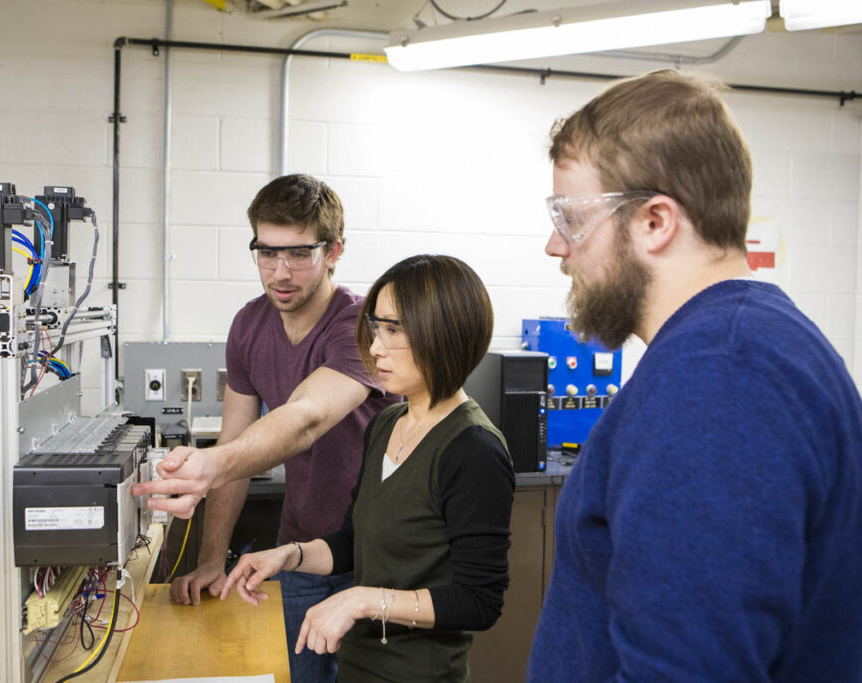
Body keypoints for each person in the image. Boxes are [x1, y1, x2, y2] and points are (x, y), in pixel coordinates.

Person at [528, 69, 862, 682]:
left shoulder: (719, 377)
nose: (556, 245)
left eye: (571, 218)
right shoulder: (743, 347)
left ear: (655, 221)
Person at [130, 174, 396, 683]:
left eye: (298, 254)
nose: (280, 272)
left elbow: (306, 418)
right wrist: (211, 559)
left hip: (373, 555)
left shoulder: (361, 324)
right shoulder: (249, 326)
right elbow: (235, 445)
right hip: (298, 550)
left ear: (334, 251)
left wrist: (210, 463)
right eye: (266, 253)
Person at [219, 254, 515, 683]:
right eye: (377, 328)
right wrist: (289, 555)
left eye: (394, 331)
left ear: (444, 334)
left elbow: (478, 602)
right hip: (359, 669)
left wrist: (360, 601)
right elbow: (354, 542)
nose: (375, 347)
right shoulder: (385, 424)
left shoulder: (473, 449)